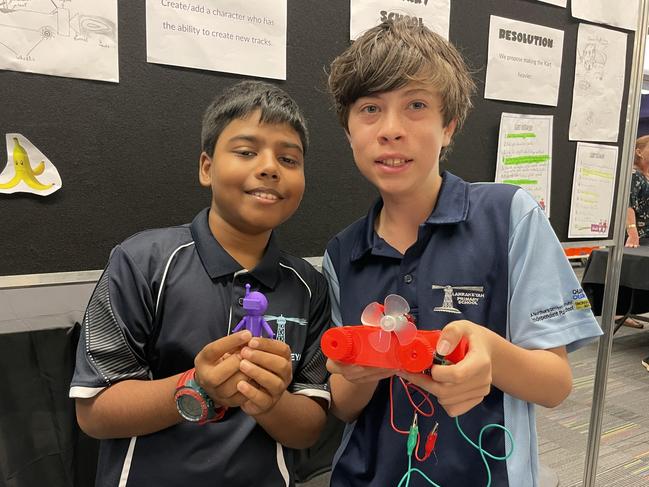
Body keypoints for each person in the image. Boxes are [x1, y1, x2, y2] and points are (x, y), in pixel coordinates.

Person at [322, 19, 603, 486]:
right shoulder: (342, 253)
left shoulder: (509, 216)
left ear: (448, 125)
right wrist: (357, 371)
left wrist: (491, 353)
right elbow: (343, 404)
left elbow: (556, 385)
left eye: (416, 105)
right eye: (370, 109)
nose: (390, 130)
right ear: (349, 131)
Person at [69, 80, 332, 486]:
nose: (269, 167)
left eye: (289, 159)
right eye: (246, 152)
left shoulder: (308, 286)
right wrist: (197, 385)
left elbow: (310, 425)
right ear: (207, 167)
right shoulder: (142, 262)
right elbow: (95, 411)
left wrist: (268, 401)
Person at [625, 134, 649, 248]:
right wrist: (632, 232)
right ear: (639, 152)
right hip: (639, 239)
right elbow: (627, 204)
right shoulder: (635, 175)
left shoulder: (646, 176)